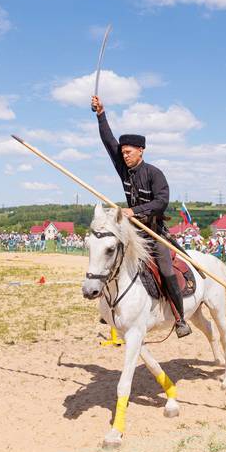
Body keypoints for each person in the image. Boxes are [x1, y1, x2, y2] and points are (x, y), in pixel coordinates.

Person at [93, 95, 191, 338]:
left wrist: (134, 211)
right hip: (133, 233)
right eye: (123, 152)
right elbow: (108, 142)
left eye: (128, 152)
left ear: (141, 151)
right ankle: (110, 310)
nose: (124, 155)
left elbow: (161, 203)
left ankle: (179, 319)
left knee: (166, 270)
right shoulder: (124, 170)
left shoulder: (155, 174)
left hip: (153, 231)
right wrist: (100, 115)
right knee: (111, 261)